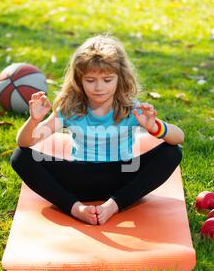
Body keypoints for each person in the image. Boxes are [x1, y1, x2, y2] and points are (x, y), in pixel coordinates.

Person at [11, 34, 184, 225]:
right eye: (90, 80)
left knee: (171, 152)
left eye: (107, 80)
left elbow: (179, 137)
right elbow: (24, 143)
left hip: (123, 178)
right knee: (20, 156)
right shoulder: (71, 109)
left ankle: (112, 206)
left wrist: (154, 127)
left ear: (120, 79)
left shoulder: (131, 109)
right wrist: (34, 120)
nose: (99, 87)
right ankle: (75, 208)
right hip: (78, 180)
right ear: (79, 80)